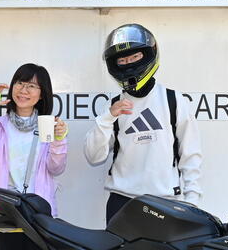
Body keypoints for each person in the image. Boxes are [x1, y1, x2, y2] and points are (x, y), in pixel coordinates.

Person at [84, 23, 202, 223]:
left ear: (148, 55)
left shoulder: (174, 100)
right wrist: (107, 118)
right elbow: (93, 157)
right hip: (122, 202)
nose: (128, 64)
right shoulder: (113, 106)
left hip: (166, 201)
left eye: (135, 57)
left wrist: (192, 202)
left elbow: (191, 155)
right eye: (122, 60)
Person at [0, 63, 68, 250]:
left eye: (32, 86)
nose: (24, 90)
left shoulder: (47, 126)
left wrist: (59, 140)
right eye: (20, 83)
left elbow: (55, 168)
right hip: (7, 211)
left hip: (39, 213)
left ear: (42, 94)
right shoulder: (0, 125)